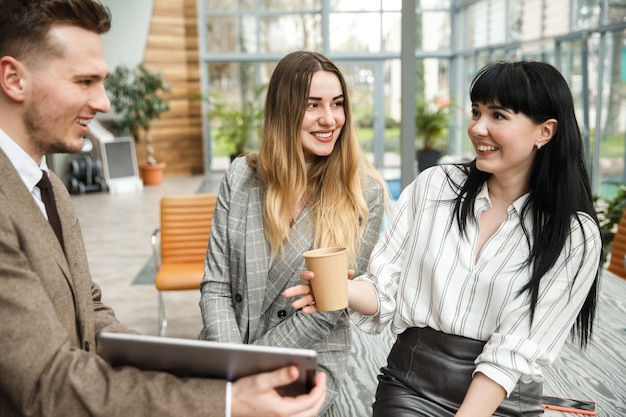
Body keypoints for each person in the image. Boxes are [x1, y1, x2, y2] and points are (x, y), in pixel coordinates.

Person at [0, 1, 327, 416]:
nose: (102, 103)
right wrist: (226, 400)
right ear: (13, 78)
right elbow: (48, 382)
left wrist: (186, 367)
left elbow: (89, 309)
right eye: (84, 81)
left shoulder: (51, 189)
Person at [287, 61, 602, 417]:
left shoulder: (574, 235)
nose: (478, 128)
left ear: (544, 132)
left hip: (503, 401)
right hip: (412, 388)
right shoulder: (435, 187)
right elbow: (386, 291)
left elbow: (512, 353)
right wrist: (339, 291)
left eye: (498, 116)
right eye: (476, 112)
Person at [198, 50, 389, 416]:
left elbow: (325, 310)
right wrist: (233, 363)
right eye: (313, 105)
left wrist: (251, 368)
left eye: (337, 104)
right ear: (284, 111)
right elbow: (217, 285)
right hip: (227, 351)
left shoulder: (363, 194)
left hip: (306, 356)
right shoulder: (240, 177)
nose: (329, 119)